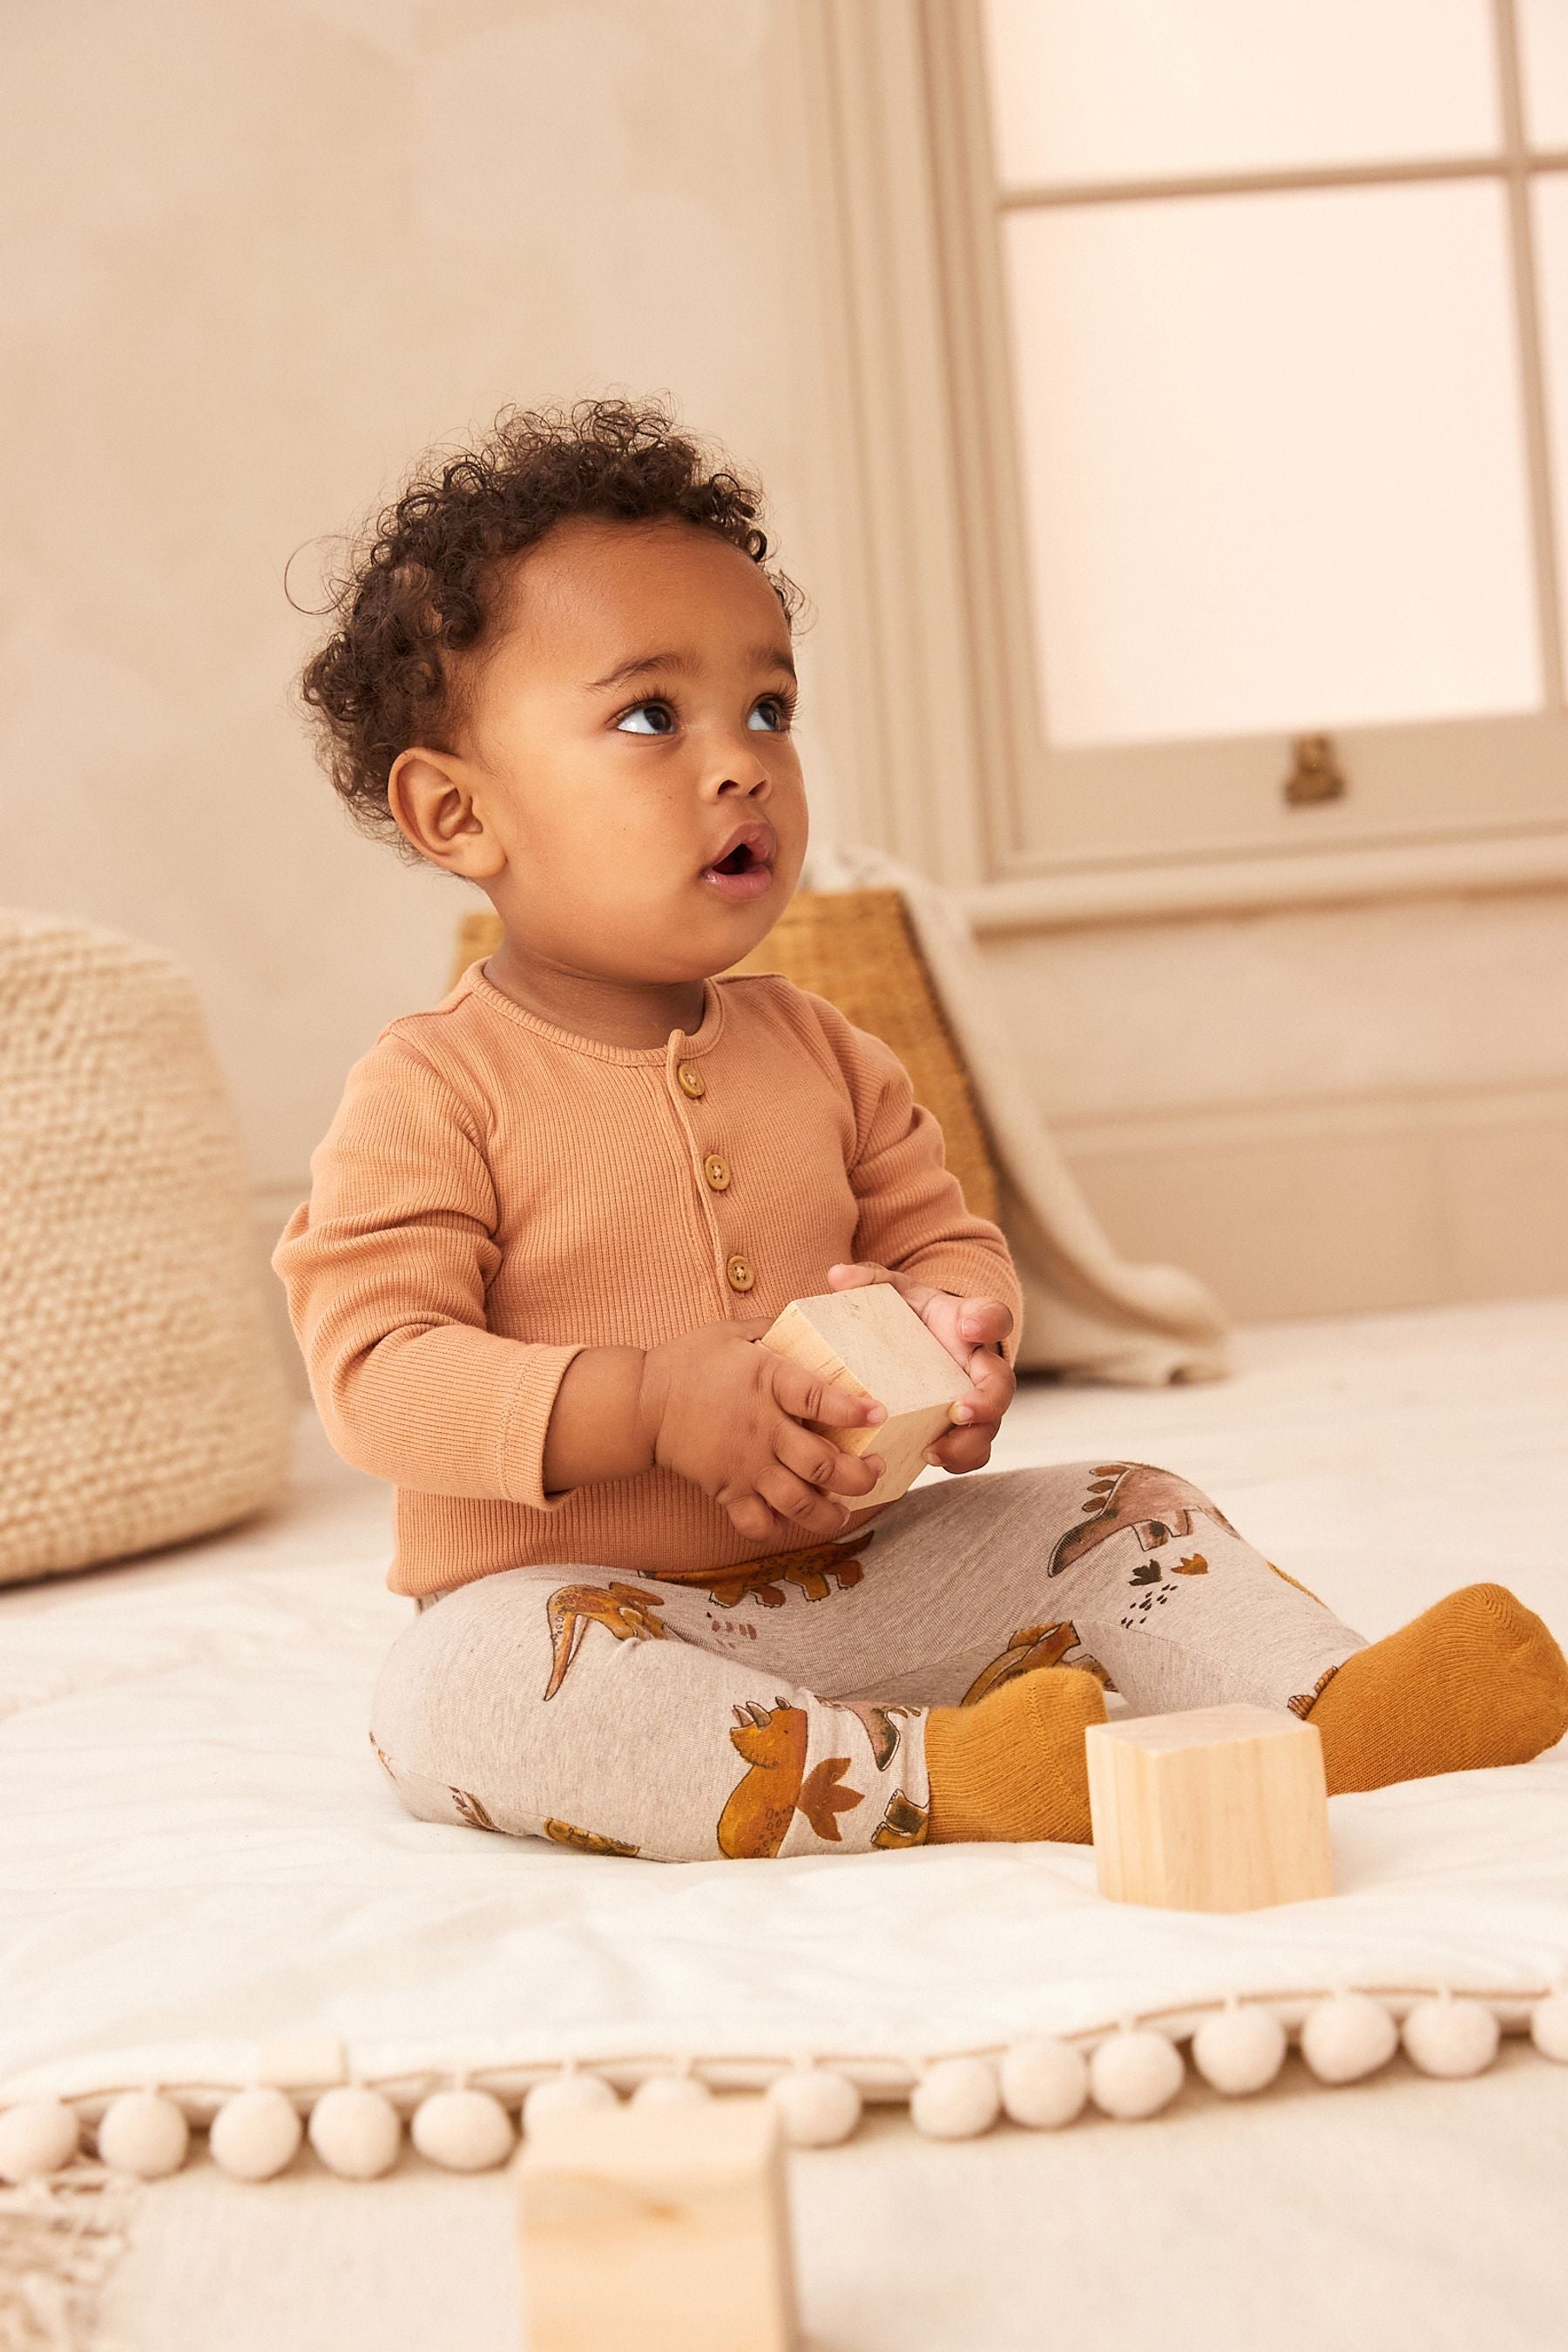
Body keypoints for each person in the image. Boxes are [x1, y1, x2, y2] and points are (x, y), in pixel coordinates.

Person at [274, 400, 1567, 1862]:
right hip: (603, 1614)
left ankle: (1323, 1704)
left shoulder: (824, 1048)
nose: (740, 761)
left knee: (1121, 1504)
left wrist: (963, 1326)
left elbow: (936, 1235)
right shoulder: (431, 1091)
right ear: (455, 815)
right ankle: (937, 1779)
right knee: (457, 1690)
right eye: (651, 717)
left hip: (862, 1568)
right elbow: (378, 1377)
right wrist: (646, 1405)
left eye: (769, 709)